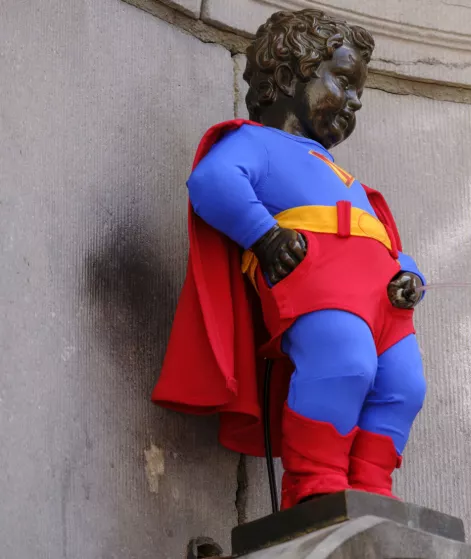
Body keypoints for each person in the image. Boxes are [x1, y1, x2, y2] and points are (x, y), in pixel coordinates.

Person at [151, 8, 427, 509]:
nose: (356, 101)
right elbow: (213, 181)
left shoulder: (345, 178)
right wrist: (264, 234)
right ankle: (314, 486)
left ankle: (371, 490)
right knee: (344, 365)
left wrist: (410, 273)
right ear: (286, 73)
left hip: (384, 302)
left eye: (359, 90)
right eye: (344, 82)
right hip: (318, 284)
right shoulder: (253, 141)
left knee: (404, 386)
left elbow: (383, 240)